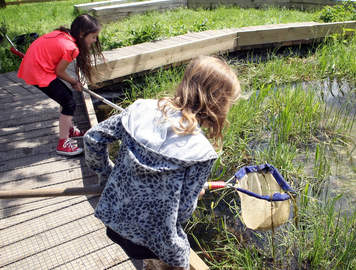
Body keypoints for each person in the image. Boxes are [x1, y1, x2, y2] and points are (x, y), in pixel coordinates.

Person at [84, 55, 241, 270]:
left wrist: (107, 174)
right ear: (218, 103)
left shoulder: (139, 109)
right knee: (178, 259)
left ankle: (150, 264)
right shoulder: (202, 153)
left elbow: (92, 139)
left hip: (113, 222)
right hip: (153, 243)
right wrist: (196, 196)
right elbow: (183, 213)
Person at [17, 14, 106, 156]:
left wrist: (73, 83)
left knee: (67, 98)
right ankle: (63, 144)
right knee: (69, 104)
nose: (95, 40)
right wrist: (74, 82)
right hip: (38, 70)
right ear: (82, 34)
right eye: (94, 36)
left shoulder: (64, 34)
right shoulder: (72, 48)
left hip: (35, 66)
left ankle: (68, 129)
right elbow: (59, 71)